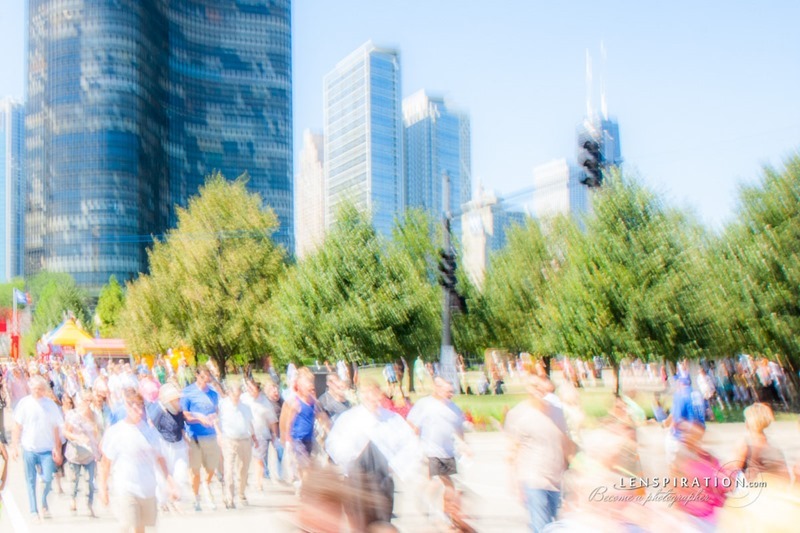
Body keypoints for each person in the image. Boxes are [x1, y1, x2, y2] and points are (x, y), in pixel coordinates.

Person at [326, 380, 419, 531]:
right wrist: (352, 458)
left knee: (381, 525)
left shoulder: (392, 419)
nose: (372, 399)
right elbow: (333, 443)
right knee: (359, 525)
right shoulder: (349, 418)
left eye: (375, 395)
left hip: (381, 482)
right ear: (362, 396)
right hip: (357, 481)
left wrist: (394, 465)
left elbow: (410, 444)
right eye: (367, 395)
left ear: (380, 396)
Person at [99, 389, 177, 533]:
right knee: (129, 524)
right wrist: (103, 488)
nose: (138, 411)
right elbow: (105, 463)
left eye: (140, 406)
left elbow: (160, 459)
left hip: (147, 488)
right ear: (127, 407)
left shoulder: (150, 432)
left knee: (141, 528)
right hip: (125, 488)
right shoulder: (116, 432)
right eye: (134, 407)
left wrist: (170, 483)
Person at [505, 375, 575, 532]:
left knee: (553, 525)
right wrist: (514, 481)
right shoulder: (519, 414)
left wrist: (573, 469)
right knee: (541, 526)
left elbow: (565, 443)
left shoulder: (557, 412)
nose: (538, 389)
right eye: (533, 385)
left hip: (555, 479)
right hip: (532, 478)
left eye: (541, 384)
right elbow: (512, 451)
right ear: (527, 388)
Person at [407, 376, 470, 530]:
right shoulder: (425, 404)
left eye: (452, 391)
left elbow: (459, 429)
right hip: (429, 451)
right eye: (448, 391)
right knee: (439, 483)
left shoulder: (453, 408)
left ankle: (443, 512)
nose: (450, 394)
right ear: (437, 388)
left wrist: (464, 445)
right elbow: (412, 424)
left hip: (447, 452)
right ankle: (432, 509)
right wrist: (415, 445)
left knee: (447, 486)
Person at [11, 375, 64, 519]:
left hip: (46, 448)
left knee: (47, 479)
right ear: (30, 388)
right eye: (35, 388)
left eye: (40, 389)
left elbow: (56, 428)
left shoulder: (50, 405)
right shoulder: (24, 403)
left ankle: (43, 502)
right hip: (29, 447)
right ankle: (33, 510)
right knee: (30, 480)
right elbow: (17, 426)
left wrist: (57, 449)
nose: (38, 391)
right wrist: (14, 446)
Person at [181, 367, 221, 511]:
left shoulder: (213, 394)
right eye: (203, 377)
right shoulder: (187, 393)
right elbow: (185, 414)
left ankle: (206, 484)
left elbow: (217, 411)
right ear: (197, 376)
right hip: (195, 436)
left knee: (211, 467)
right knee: (195, 470)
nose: (206, 380)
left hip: (211, 435)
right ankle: (196, 497)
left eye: (208, 377)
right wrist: (199, 418)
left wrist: (214, 418)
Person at [218, 379, 256, 509]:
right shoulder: (222, 405)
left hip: (244, 439)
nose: (237, 397)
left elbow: (250, 423)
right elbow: (216, 421)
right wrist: (219, 435)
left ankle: (241, 493)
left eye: (239, 394)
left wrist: (254, 437)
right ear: (229, 393)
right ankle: (229, 497)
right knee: (228, 469)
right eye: (235, 394)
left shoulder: (245, 407)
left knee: (243, 469)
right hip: (229, 440)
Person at [150, 384, 189, 510]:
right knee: (162, 475)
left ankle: (175, 497)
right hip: (164, 445)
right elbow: (151, 427)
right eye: (176, 399)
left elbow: (181, 426)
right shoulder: (159, 412)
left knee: (181, 473)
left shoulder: (179, 411)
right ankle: (162, 502)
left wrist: (187, 441)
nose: (179, 401)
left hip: (179, 444)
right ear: (169, 401)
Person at [63, 390, 101, 516]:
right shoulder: (72, 415)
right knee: (74, 479)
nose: (88, 403)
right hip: (75, 452)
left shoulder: (94, 415)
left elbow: (97, 434)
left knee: (90, 480)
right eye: (86, 400)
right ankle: (72, 499)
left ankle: (89, 504)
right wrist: (78, 438)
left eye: (91, 401)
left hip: (90, 453)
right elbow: (66, 432)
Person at [733, 402, 789, 481]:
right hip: (777, 485)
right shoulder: (772, 444)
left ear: (749, 422)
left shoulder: (745, 442)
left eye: (746, 419)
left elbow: (733, 468)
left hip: (756, 487)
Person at [280, 367, 317, 483]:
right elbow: (287, 422)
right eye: (307, 382)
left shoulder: (312, 400)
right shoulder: (295, 401)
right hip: (297, 440)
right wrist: (287, 440)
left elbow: (320, 415)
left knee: (306, 466)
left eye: (311, 382)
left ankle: (301, 485)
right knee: (306, 466)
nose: (310, 385)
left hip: (308, 439)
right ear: (299, 385)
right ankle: (304, 487)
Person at [242, 379, 278, 490]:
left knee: (259, 459)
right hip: (245, 433)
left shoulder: (265, 402)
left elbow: (272, 420)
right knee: (244, 458)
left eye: (252, 388)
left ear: (258, 389)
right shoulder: (243, 398)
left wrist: (275, 435)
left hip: (261, 434)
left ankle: (259, 482)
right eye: (248, 388)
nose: (249, 390)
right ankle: (244, 479)